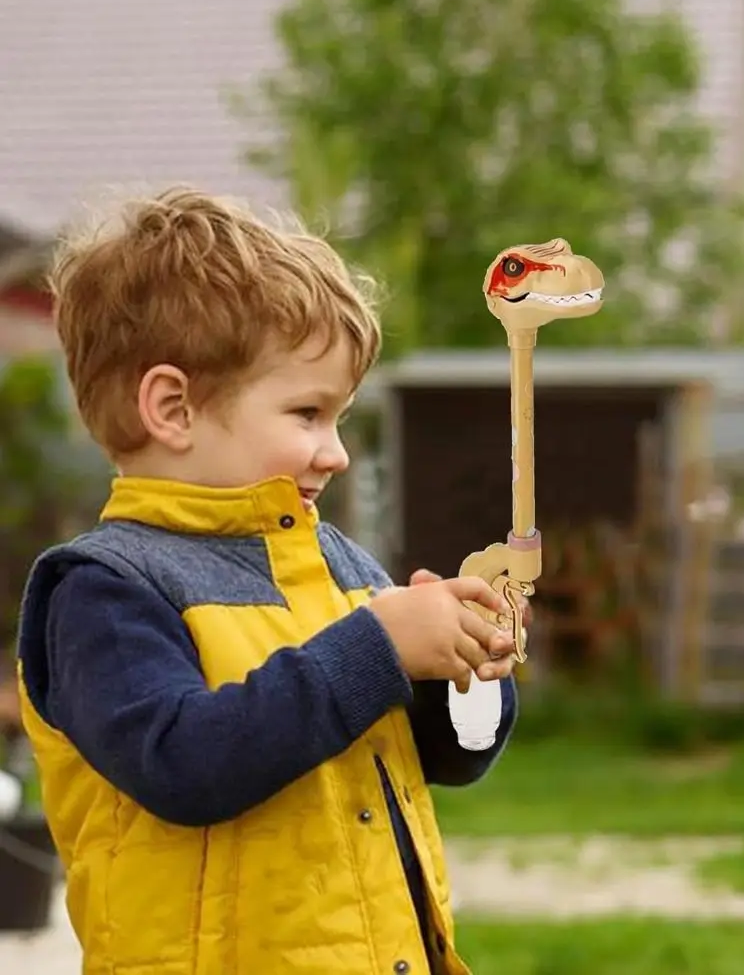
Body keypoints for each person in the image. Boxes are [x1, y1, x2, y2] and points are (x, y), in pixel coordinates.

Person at [15, 187, 521, 975]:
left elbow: (443, 760)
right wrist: (381, 645)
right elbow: (186, 765)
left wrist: (464, 675)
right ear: (173, 408)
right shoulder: (104, 592)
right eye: (309, 413)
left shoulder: (343, 568)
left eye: (341, 418)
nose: (336, 451)